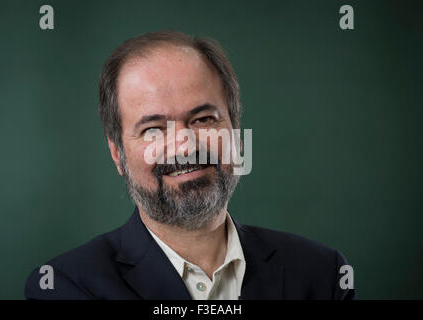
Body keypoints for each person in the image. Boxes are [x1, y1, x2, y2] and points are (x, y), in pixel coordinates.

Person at [24, 30, 355, 300]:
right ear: (117, 155)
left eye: (203, 119)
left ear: (236, 133)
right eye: (153, 129)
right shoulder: (66, 287)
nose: (184, 144)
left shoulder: (322, 275)